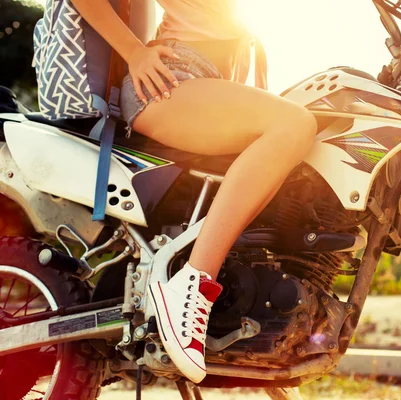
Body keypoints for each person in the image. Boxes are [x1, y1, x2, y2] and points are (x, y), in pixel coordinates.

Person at [71, 0, 317, 383]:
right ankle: (192, 286)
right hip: (171, 78)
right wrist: (134, 51)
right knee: (296, 125)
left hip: (208, 82)